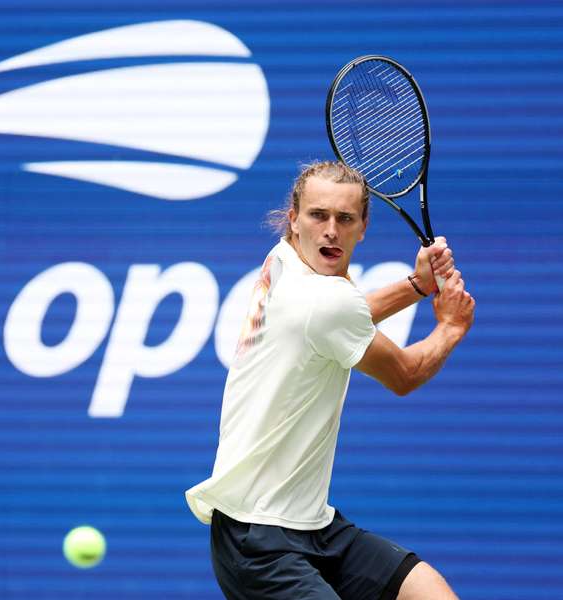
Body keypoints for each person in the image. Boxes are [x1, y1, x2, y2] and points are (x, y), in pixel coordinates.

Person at [185, 161, 475, 600]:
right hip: (258, 541)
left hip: (315, 526)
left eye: (345, 219)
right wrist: (450, 328)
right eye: (318, 215)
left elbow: (343, 312)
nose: (330, 231)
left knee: (430, 593)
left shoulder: (283, 259)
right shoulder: (324, 300)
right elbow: (404, 374)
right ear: (294, 219)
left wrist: (417, 284)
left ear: (362, 227)